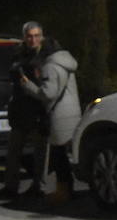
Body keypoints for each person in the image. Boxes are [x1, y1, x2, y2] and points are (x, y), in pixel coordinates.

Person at [15, 26, 80, 205]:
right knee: (64, 155)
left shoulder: (51, 66)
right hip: (71, 113)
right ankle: (66, 189)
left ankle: (63, 191)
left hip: (58, 115)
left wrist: (29, 86)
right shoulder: (65, 63)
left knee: (59, 157)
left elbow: (48, 93)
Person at [0, 21, 50, 198]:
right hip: (20, 109)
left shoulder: (45, 56)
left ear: (41, 36)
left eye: (36, 36)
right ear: (24, 37)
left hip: (38, 110)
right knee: (14, 151)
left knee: (40, 153)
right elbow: (13, 77)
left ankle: (39, 186)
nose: (33, 39)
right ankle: (10, 186)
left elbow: (46, 86)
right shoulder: (18, 54)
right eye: (30, 36)